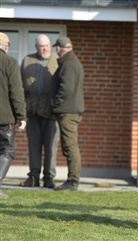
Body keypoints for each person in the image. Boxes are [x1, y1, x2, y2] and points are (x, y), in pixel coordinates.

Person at [19, 34, 60, 189]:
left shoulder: (57, 61)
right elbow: (20, 86)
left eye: (47, 46)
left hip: (51, 112)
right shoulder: (27, 60)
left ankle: (49, 178)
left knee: (51, 146)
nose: (44, 49)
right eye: (41, 46)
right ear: (36, 46)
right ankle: (33, 177)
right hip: (32, 111)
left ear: (50, 46)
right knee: (34, 145)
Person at [50, 36, 85, 191]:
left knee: (70, 146)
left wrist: (54, 104)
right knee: (70, 145)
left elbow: (66, 88)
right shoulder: (72, 61)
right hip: (70, 110)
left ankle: (72, 181)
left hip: (67, 111)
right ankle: (72, 179)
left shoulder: (68, 64)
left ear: (58, 48)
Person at [0, 32, 27, 198]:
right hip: (4, 118)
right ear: (5, 46)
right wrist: (21, 116)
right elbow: (16, 92)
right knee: (7, 150)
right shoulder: (9, 62)